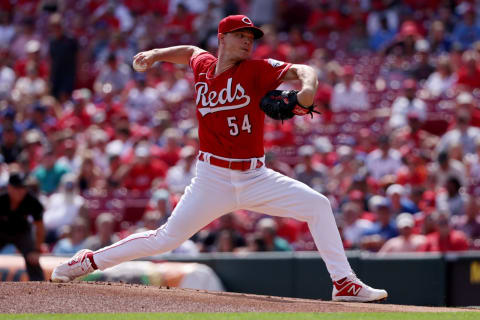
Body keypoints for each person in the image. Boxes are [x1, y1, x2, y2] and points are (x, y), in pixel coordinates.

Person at [52, 14, 387, 302]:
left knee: (318, 205)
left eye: (251, 38)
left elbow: (303, 70)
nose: (247, 43)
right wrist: (156, 54)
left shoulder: (256, 71)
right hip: (211, 179)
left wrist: (308, 90)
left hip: (256, 178)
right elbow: (188, 51)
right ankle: (87, 262)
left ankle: (344, 283)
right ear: (223, 39)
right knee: (165, 238)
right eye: (241, 36)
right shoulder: (204, 66)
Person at [0, 172, 45, 280]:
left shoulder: (32, 201)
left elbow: (40, 227)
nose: (21, 191)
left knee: (32, 258)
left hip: (22, 232)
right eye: (17, 188)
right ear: (9, 188)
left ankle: (41, 288)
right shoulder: (1, 200)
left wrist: (37, 250)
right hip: (1, 231)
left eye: (24, 187)